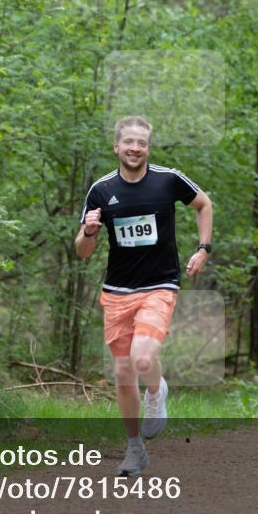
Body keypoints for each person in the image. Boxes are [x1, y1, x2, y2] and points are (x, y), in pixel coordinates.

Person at [75, 116, 213, 476]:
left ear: (148, 147)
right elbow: (82, 252)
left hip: (160, 286)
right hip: (117, 291)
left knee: (141, 359)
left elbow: (204, 204)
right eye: (129, 142)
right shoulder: (101, 190)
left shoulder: (169, 180)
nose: (135, 148)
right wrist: (89, 232)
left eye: (142, 143)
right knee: (123, 373)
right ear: (116, 147)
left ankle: (156, 392)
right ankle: (134, 450)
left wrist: (203, 248)